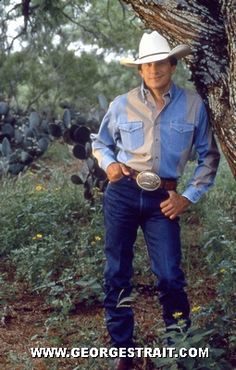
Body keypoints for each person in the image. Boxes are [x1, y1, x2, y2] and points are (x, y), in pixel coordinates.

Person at [91, 31, 220, 370]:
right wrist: (110, 164)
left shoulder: (194, 105)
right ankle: (125, 352)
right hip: (123, 193)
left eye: (160, 62)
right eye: (147, 64)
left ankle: (178, 347)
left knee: (168, 276)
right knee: (117, 271)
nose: (153, 69)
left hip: (165, 199)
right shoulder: (121, 104)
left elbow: (209, 158)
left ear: (172, 65)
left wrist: (187, 198)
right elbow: (100, 143)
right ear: (139, 70)